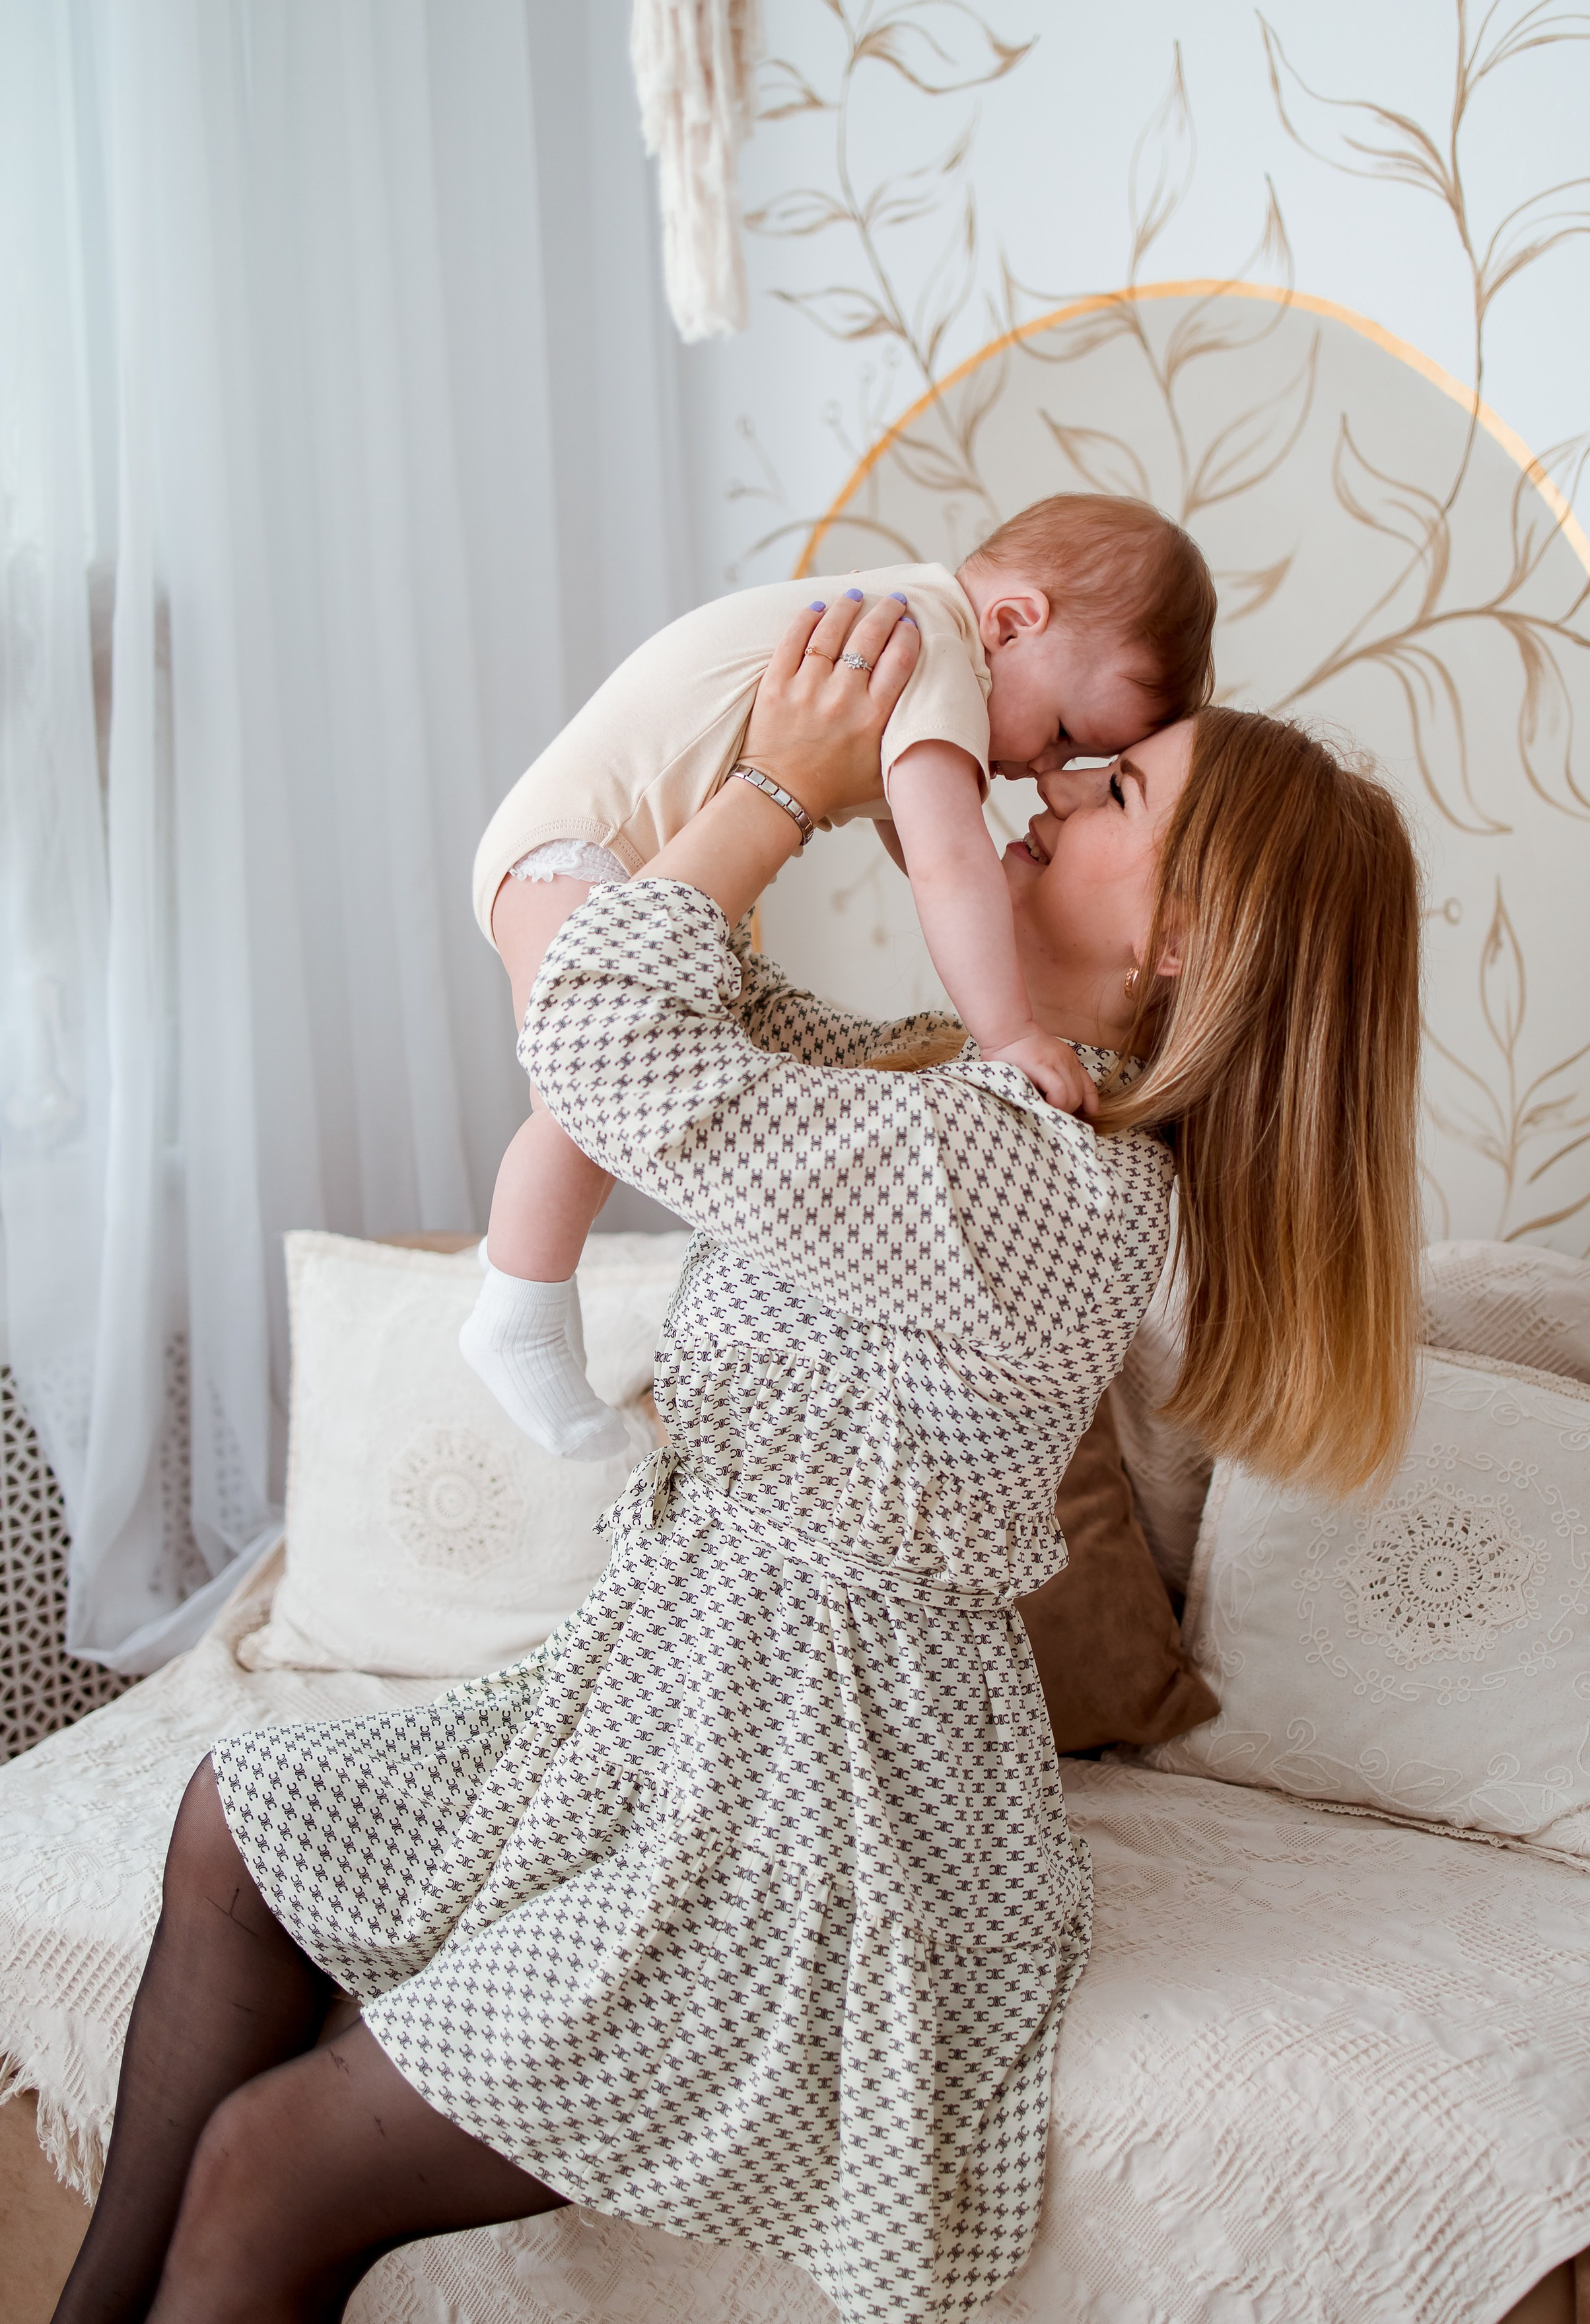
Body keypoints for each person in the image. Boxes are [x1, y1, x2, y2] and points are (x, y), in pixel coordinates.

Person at [52, 591, 1421, 2324]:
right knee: (231, 1827)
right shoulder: (956, 1089)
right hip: (664, 1702)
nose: (1043, 790)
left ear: (1185, 936)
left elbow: (616, 1053)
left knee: (272, 2161)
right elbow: (702, 1010)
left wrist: (768, 796)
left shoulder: (1059, 1194)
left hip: (801, 1805)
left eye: (1109, 795)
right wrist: (775, 772)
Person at [458, 493, 1216, 1458]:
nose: (1042, 773)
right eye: (1070, 735)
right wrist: (1010, 1034)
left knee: (573, 1107)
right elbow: (948, 866)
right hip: (588, 847)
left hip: (575, 842)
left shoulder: (1064, 1185)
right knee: (576, 1106)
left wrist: (788, 788)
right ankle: (519, 1307)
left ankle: (521, 1305)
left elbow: (941, 859)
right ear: (1015, 623)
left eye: (1099, 774)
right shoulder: (931, 648)